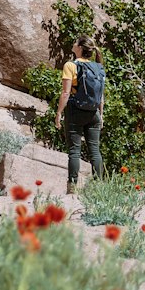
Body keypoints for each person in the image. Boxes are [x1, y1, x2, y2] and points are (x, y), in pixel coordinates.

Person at [54, 36, 106, 192]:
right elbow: (101, 95)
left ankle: (72, 188)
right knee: (95, 151)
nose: (73, 44)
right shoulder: (98, 67)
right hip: (93, 112)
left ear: (80, 48)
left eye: (75, 42)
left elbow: (65, 93)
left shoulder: (70, 65)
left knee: (74, 151)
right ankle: (99, 187)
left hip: (75, 111)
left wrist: (58, 113)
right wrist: (101, 115)